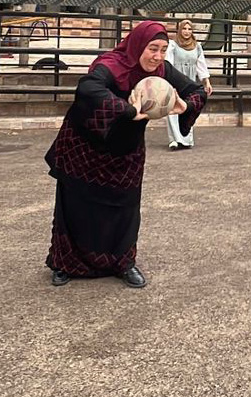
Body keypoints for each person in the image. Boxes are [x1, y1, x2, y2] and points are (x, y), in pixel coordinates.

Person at [45, 21, 206, 288]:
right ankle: (65, 263)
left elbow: (197, 90)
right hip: (84, 147)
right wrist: (128, 110)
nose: (158, 56)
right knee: (75, 207)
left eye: (163, 49)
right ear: (138, 44)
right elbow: (88, 89)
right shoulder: (110, 65)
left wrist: (185, 104)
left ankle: (124, 263)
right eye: (152, 48)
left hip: (126, 151)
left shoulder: (162, 70)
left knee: (126, 209)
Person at [165, 19, 212, 150]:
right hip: (176, 79)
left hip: (190, 81)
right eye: (184, 29)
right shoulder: (173, 45)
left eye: (189, 29)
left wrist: (206, 81)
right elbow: (168, 63)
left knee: (188, 108)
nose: (186, 32)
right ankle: (174, 139)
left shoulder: (197, 47)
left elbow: (201, 64)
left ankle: (186, 139)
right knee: (173, 108)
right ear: (180, 30)